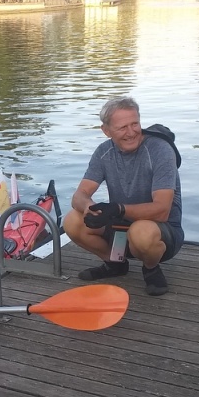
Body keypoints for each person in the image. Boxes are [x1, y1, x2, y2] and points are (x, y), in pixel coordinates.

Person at [62, 97, 183, 296]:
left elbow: (162, 211)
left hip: (162, 230)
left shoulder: (161, 150)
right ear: (106, 131)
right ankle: (115, 263)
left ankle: (151, 269)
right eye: (122, 127)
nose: (131, 132)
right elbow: (79, 195)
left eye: (135, 124)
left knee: (141, 232)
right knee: (72, 221)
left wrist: (119, 208)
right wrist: (90, 208)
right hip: (121, 227)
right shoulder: (103, 152)